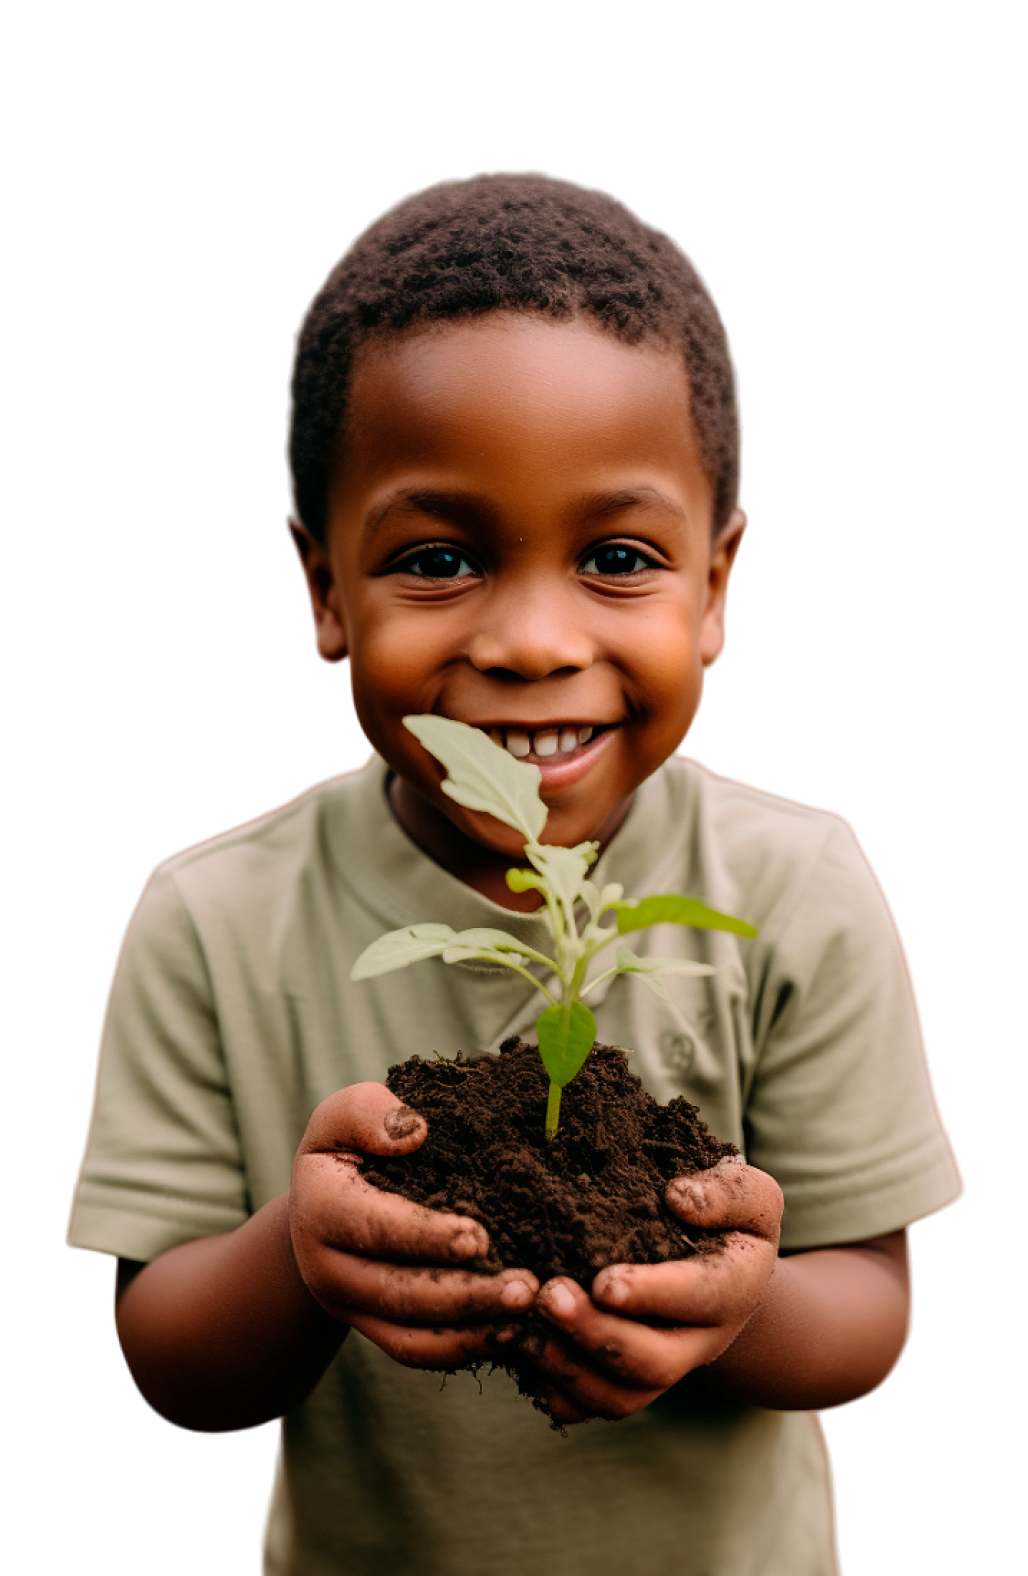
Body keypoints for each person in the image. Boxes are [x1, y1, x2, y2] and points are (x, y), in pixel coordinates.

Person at [65, 170, 965, 1575]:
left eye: (616, 557)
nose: (534, 640)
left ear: (717, 588)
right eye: (441, 559)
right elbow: (173, 1362)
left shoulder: (800, 884)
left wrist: (735, 1313)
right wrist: (304, 1255)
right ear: (321, 592)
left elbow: (871, 1308)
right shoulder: (210, 913)